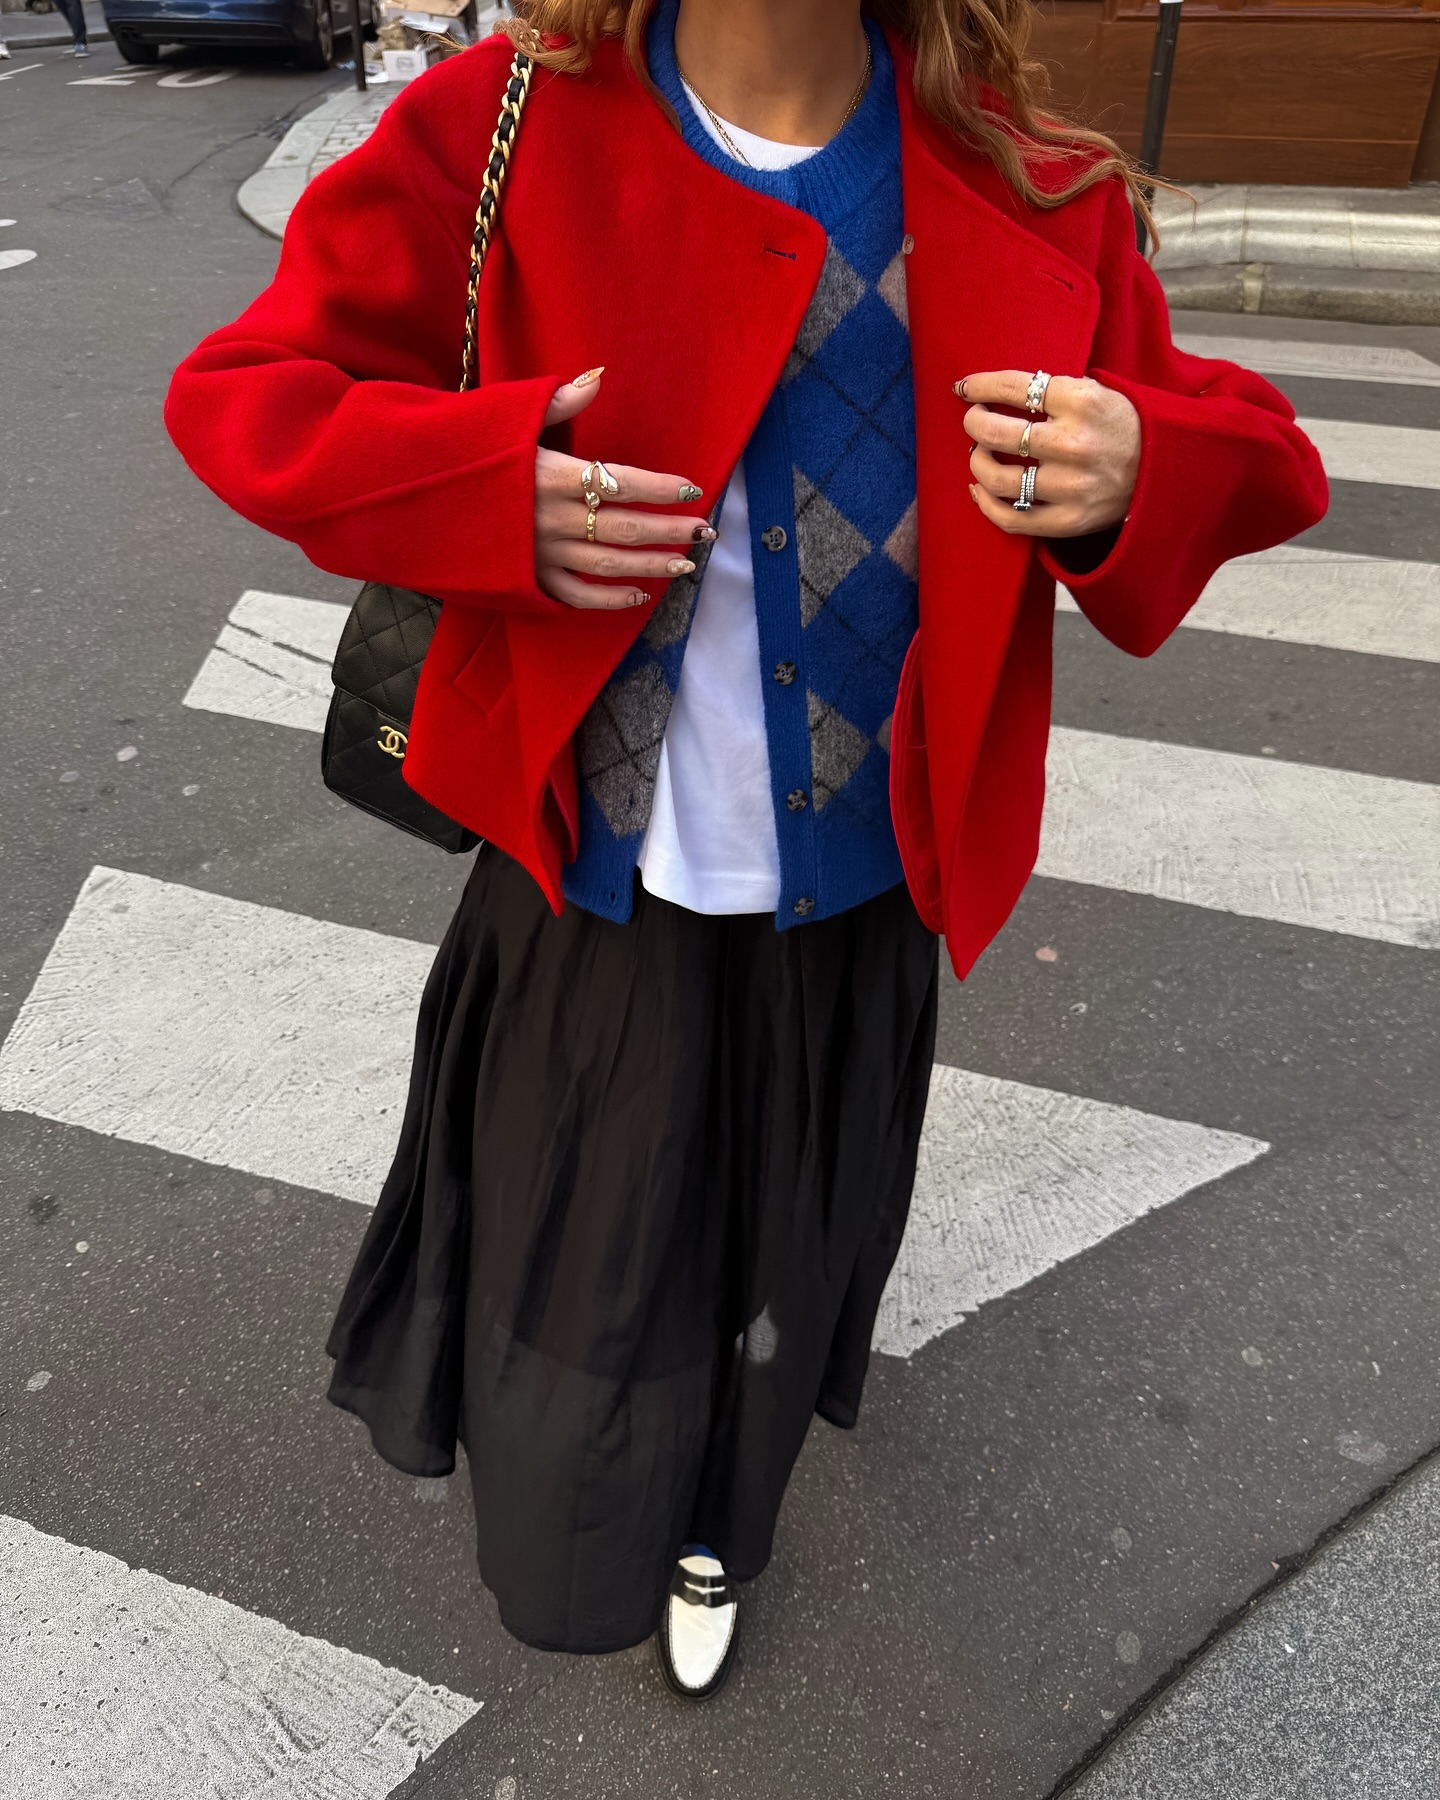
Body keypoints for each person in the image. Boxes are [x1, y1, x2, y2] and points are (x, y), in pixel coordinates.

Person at [165, 0, 1326, 1702]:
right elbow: (249, 395)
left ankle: (720, 1524)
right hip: (592, 870)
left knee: (784, 1249)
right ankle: (601, 1527)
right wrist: (487, 486)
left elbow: (1263, 452)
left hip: (860, 883)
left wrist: (1141, 460)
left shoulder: (1031, 182)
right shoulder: (502, 121)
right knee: (585, 1282)